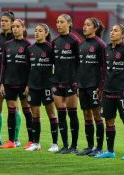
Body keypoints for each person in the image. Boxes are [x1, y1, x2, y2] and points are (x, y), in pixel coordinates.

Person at [94, 24, 124, 160]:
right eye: (112, 30)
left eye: (116, 31)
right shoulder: (106, 49)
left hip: (122, 92)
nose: (112, 32)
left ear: (122, 35)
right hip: (108, 91)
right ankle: (110, 151)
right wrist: (102, 86)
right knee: (109, 121)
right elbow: (103, 70)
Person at [0, 11, 22, 146]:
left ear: (12, 23)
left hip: (12, 80)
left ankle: (16, 138)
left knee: (14, 108)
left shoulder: (17, 39)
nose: (3, 23)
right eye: (1, 20)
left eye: (6, 21)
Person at [0, 19, 33, 149]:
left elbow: (30, 67)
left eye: (17, 26)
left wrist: (28, 84)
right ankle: (11, 141)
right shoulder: (7, 44)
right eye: (13, 27)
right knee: (11, 111)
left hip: (23, 84)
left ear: (23, 28)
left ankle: (31, 141)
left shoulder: (28, 45)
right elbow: (3, 64)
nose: (14, 29)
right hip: (9, 82)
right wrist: (2, 82)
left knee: (27, 111)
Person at [24, 23, 58, 151]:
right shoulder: (30, 49)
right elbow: (27, 69)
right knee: (35, 116)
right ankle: (36, 144)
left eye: (40, 31)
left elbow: (57, 67)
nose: (37, 33)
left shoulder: (51, 48)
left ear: (46, 33)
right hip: (33, 86)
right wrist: (27, 84)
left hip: (47, 87)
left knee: (52, 115)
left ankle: (55, 144)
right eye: (36, 30)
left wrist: (53, 84)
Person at [76, 17, 106, 156]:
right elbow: (78, 67)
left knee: (96, 115)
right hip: (82, 86)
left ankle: (99, 147)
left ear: (95, 28)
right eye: (84, 24)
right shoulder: (81, 45)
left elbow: (105, 67)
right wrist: (77, 83)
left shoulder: (100, 44)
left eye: (88, 25)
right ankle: (89, 146)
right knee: (86, 115)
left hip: (94, 86)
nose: (84, 27)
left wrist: (101, 86)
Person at [51, 14, 80, 153]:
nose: (58, 24)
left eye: (61, 22)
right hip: (57, 82)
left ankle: (74, 146)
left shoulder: (75, 41)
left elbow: (80, 63)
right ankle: (65, 145)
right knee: (61, 114)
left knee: (72, 114)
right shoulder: (55, 42)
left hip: (71, 83)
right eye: (57, 22)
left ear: (69, 24)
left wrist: (78, 82)